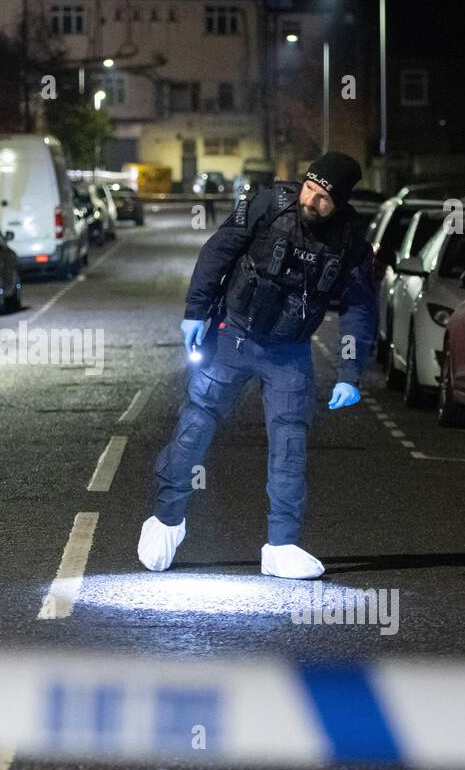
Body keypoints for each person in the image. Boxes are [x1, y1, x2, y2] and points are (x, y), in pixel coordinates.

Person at [138, 152, 378, 579]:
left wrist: (349, 370)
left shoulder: (351, 242)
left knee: (290, 447)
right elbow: (219, 250)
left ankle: (282, 546)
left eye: (323, 197)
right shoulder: (267, 204)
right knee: (194, 428)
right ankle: (165, 521)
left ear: (339, 201)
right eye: (309, 188)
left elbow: (359, 308)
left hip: (290, 353)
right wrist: (195, 310)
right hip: (233, 336)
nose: (311, 201)